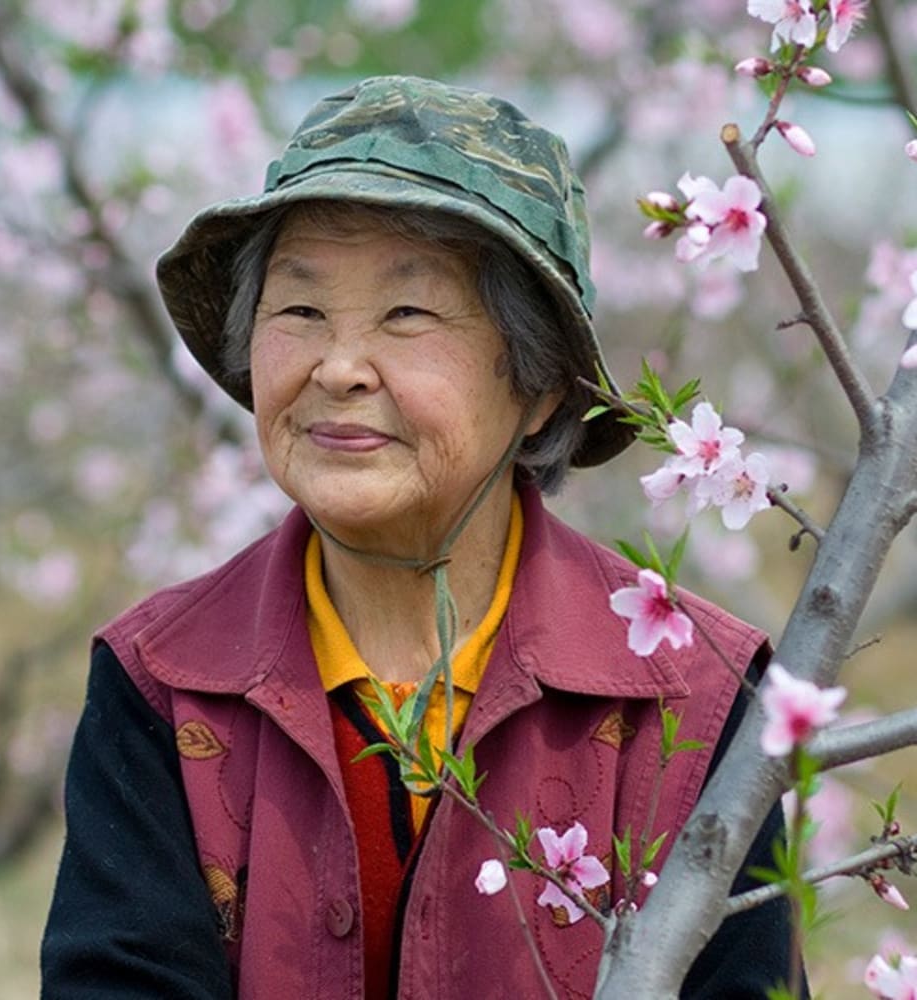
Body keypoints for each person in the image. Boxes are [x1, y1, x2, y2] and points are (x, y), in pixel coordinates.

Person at [41, 75, 800, 999]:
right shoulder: (160, 678)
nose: (339, 366)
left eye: (407, 313)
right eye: (301, 310)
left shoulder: (699, 693)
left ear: (541, 385)